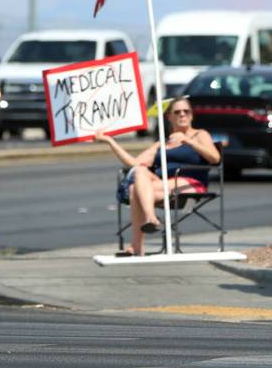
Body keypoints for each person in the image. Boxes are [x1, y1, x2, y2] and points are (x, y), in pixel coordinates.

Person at [94, 97, 219, 256]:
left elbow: (215, 158)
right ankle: (150, 219)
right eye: (177, 112)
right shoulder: (162, 143)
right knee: (139, 173)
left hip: (190, 184)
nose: (182, 115)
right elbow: (133, 162)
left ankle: (139, 240)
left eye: (186, 111)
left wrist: (188, 142)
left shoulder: (200, 135)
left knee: (135, 190)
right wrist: (110, 141)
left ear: (192, 115)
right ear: (169, 117)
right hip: (163, 186)